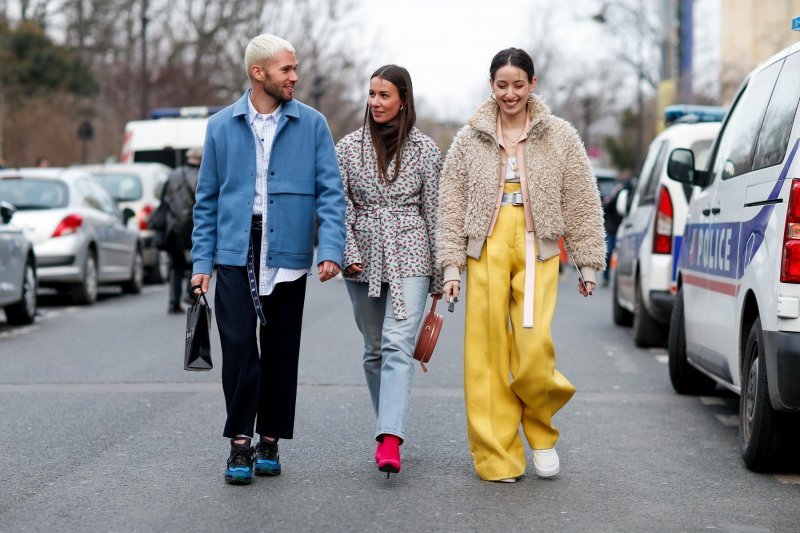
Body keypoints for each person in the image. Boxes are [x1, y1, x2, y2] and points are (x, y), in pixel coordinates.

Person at [438, 48, 606, 482]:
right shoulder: (470, 137)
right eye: (501, 85)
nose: (509, 93)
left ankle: (541, 432)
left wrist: (587, 262)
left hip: (537, 246)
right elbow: (452, 203)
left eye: (518, 84)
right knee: (486, 354)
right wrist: (452, 267)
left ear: (533, 84)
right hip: (487, 245)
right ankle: (498, 457)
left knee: (532, 351)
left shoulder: (559, 135)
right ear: (491, 86)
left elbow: (582, 200)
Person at [190, 34, 346, 485]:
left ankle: (270, 439)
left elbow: (331, 194)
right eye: (286, 70)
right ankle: (241, 442)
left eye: (294, 69)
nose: (294, 76)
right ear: (258, 73)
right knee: (239, 347)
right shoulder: (221, 126)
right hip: (235, 248)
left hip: (289, 249)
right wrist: (202, 264)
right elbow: (207, 200)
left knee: (281, 349)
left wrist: (330, 249)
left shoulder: (313, 124)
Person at [336, 65, 443, 477]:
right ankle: (389, 425)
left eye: (384, 95)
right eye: (371, 94)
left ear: (403, 99)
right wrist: (347, 251)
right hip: (362, 251)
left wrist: (439, 276)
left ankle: (389, 439)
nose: (376, 102)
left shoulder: (425, 150)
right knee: (375, 349)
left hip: (410, 249)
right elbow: (338, 203)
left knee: (399, 345)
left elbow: (433, 210)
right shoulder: (347, 147)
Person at [160, 146, 201, 313]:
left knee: (175, 266)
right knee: (196, 263)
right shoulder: (203, 175)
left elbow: (164, 200)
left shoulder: (173, 175)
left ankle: (173, 302)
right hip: (194, 226)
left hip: (174, 227)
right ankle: (192, 295)